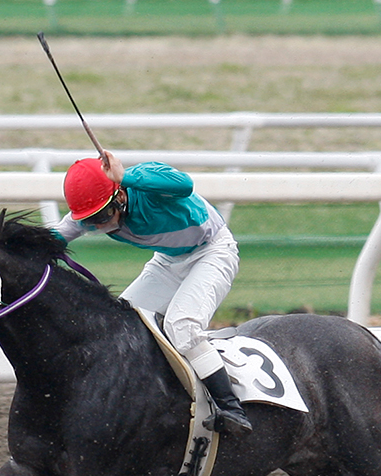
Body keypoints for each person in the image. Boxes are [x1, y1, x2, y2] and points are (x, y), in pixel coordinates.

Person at [54, 151, 252, 436]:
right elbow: (50, 239)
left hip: (213, 251)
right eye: (89, 221)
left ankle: (232, 409)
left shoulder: (146, 182)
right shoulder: (94, 211)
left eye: (101, 215)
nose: (98, 225)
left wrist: (125, 176)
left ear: (120, 195)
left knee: (182, 325)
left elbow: (184, 184)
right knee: (120, 328)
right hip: (168, 261)